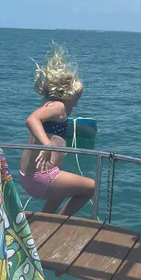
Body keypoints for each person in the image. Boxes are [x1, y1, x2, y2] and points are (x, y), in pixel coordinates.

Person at [19, 43, 95, 216]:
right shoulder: (59, 106)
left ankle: (48, 221)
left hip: (34, 176)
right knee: (91, 187)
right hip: (40, 178)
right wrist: (47, 146)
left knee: (65, 190)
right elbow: (32, 120)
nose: (77, 104)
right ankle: (61, 222)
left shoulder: (51, 106)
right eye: (77, 99)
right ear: (68, 96)